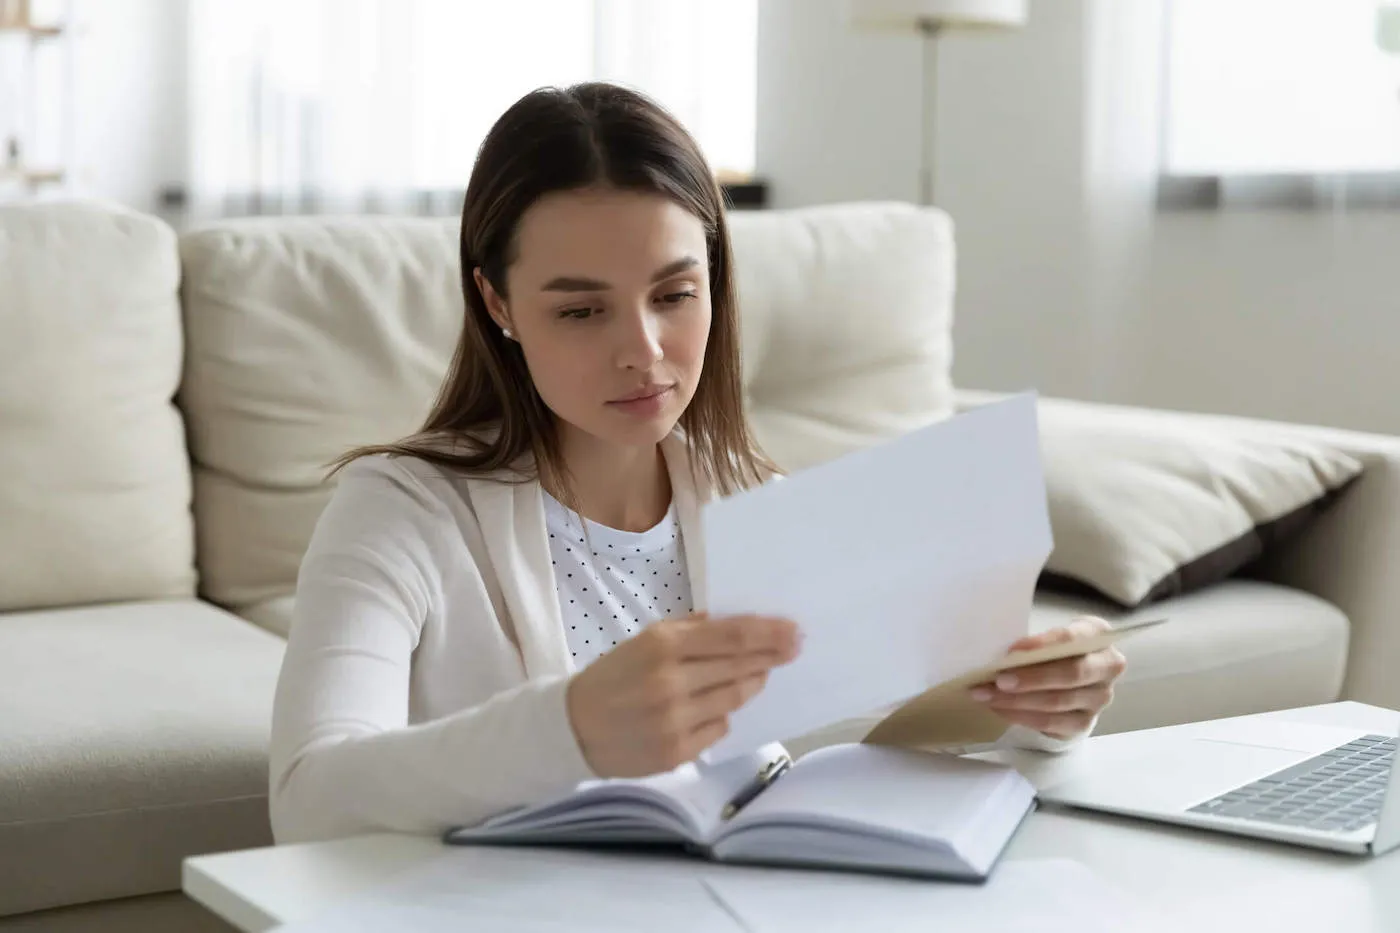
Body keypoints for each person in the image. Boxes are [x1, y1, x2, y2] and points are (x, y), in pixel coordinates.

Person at [268, 82, 1127, 845]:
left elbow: (926, 720)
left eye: (675, 294)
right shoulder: (400, 510)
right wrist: (572, 727)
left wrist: (1045, 706)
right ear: (498, 302)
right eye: (580, 312)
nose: (643, 352)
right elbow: (309, 796)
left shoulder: (753, 498)